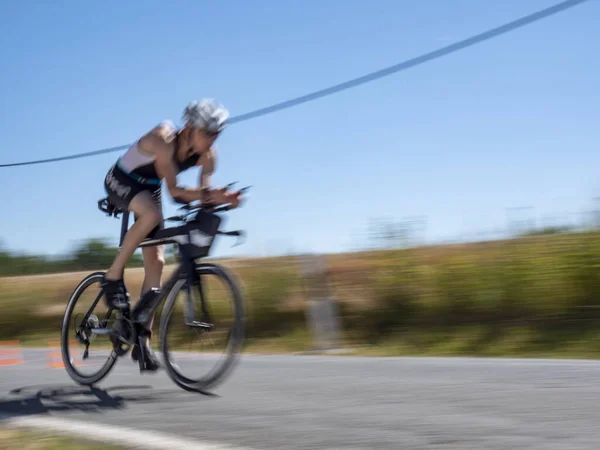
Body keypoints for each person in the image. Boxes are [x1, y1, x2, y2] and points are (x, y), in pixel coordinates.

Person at [102, 98, 243, 371]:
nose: (212, 140)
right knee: (152, 216)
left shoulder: (208, 157)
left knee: (157, 262)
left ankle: (142, 340)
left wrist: (222, 199)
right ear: (189, 127)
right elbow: (176, 192)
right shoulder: (163, 138)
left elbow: (202, 198)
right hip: (122, 179)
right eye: (207, 133)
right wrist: (210, 195)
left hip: (148, 188)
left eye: (217, 134)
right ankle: (112, 276)